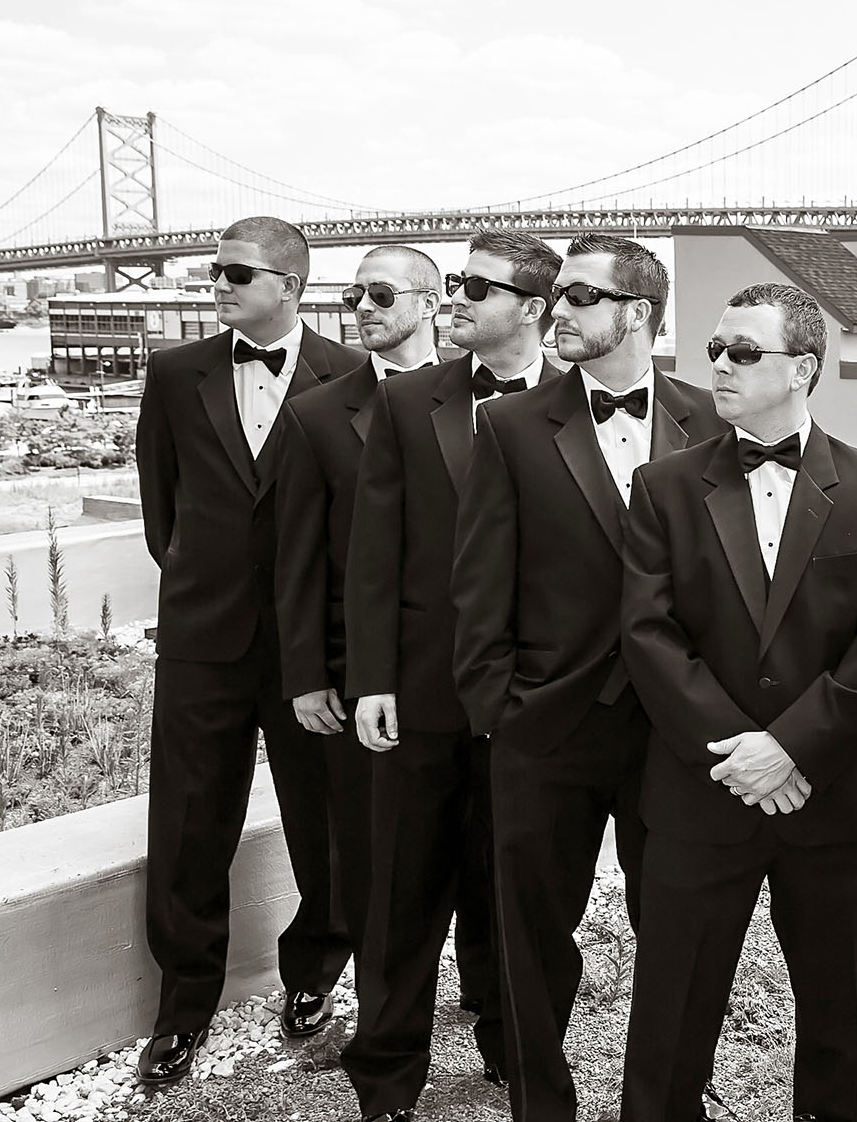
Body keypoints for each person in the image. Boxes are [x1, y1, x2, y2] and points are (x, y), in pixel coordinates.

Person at [453, 233, 723, 1122]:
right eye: (557, 296)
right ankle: (539, 1101)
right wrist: (498, 707)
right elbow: (480, 579)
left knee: (679, 930)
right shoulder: (510, 425)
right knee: (528, 935)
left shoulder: (709, 420)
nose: (556, 310)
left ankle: (671, 1097)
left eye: (578, 297)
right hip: (546, 725)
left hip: (675, 730)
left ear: (637, 315)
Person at [619, 282, 857, 1122]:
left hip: (833, 796)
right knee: (669, 1011)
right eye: (714, 350)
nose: (719, 367)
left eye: (744, 352)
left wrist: (795, 747)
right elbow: (649, 636)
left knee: (835, 1018)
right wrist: (746, 751)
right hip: (702, 792)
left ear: (803, 368)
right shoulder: (662, 485)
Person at [133, 215, 364, 1085]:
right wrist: (204, 584)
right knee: (189, 828)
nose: (217, 284)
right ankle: (183, 1009)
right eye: (213, 270)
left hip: (316, 653)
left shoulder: (351, 375)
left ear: (291, 286)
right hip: (204, 641)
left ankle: (314, 974)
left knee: (328, 828)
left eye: (236, 272)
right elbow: (163, 509)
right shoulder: (174, 372)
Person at [342, 231, 564, 1122]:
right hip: (422, 692)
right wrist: (372, 680)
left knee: (519, 892)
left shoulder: (586, 402)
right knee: (402, 893)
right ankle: (387, 1076)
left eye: (479, 285)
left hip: (535, 699)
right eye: (457, 281)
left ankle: (515, 1047)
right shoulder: (408, 403)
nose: (457, 296)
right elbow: (372, 555)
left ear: (534, 308)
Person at [275, 244, 445, 998]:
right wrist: (308, 676)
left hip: (469, 669)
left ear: (432, 302)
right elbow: (298, 558)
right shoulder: (316, 413)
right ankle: (379, 1010)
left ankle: (486, 998)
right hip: (357, 676)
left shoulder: (498, 402)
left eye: (381, 293)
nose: (363, 308)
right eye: (354, 297)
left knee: (483, 850)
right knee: (373, 858)